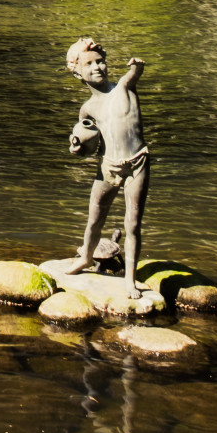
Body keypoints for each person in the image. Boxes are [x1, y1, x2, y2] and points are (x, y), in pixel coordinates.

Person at [60, 37, 152, 295]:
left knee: (132, 223)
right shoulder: (87, 109)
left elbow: (134, 74)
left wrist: (136, 66)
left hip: (137, 163)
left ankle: (129, 279)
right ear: (77, 71)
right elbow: (88, 146)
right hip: (108, 166)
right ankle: (86, 258)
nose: (97, 67)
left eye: (100, 61)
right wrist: (76, 147)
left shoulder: (123, 87)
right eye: (89, 64)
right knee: (94, 218)